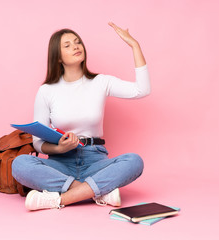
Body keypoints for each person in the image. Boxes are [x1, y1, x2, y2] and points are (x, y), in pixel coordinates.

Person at [12, 22, 151, 211]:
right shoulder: (46, 91)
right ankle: (97, 192)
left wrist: (134, 45)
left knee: (134, 161)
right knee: (20, 164)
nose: (76, 46)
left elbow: (142, 90)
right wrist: (59, 148)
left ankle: (58, 200)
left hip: (95, 162)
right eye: (67, 45)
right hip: (60, 164)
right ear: (58, 57)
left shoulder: (101, 82)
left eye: (77, 42)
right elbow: (37, 143)